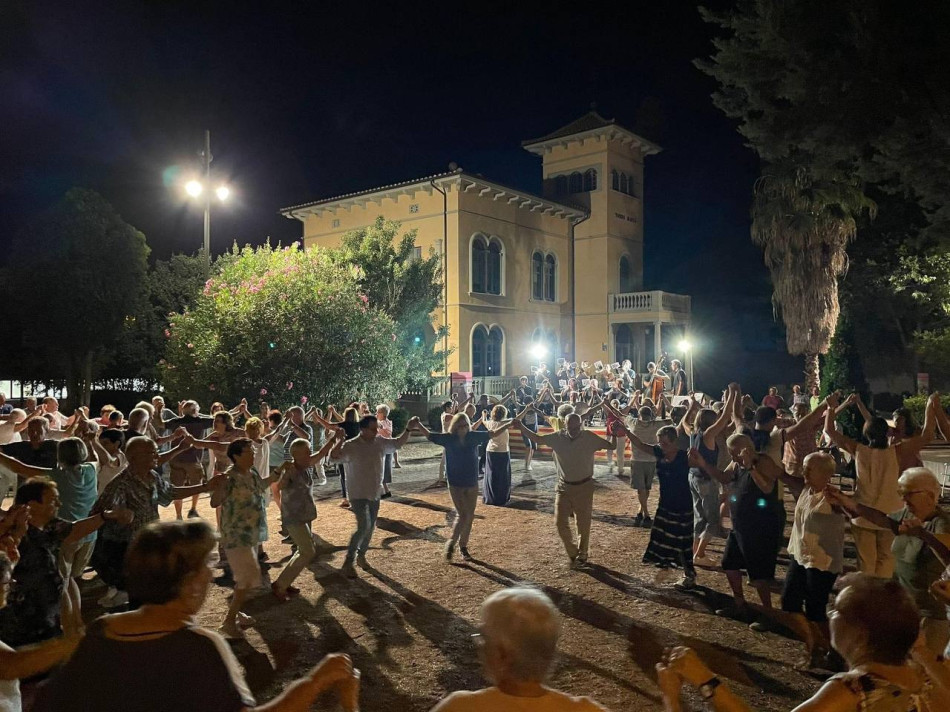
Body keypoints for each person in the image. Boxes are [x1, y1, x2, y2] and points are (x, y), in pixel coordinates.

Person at [33, 520, 361, 712]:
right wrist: (315, 682)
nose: (211, 573)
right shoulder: (198, 649)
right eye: (205, 565)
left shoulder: (101, 632)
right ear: (188, 582)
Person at [656, 575, 950, 712]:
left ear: (860, 634)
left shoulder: (854, 691)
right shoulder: (932, 677)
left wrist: (704, 681)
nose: (829, 615)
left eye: (837, 610)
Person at [826, 467, 950, 655]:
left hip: (932, 618)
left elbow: (947, 553)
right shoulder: (907, 515)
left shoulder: (942, 523)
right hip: (906, 611)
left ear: (930, 495)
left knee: (926, 675)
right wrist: (847, 502)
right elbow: (882, 519)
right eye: (901, 493)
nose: (903, 499)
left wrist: (924, 535)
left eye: (908, 493)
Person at [430, 587, 609, 712]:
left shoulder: (461, 707)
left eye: (483, 638)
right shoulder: (585, 709)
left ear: (503, 655)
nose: (480, 646)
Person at [0, 478, 132, 647]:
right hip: (21, 630)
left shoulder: (48, 527)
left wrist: (105, 516)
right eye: (53, 500)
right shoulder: (12, 536)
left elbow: (75, 530)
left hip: (47, 624)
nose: (59, 504)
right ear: (33, 505)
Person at [91, 436, 216, 609]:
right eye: (151, 452)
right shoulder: (121, 485)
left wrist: (204, 487)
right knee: (138, 598)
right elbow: (97, 514)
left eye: (156, 452)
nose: (157, 456)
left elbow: (170, 493)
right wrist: (115, 515)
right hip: (126, 550)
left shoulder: (152, 476)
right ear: (134, 457)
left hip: (149, 545)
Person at [826, 391, 937, 577]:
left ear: (865, 433)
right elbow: (927, 435)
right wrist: (930, 406)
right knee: (886, 563)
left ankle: (866, 599)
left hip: (862, 515)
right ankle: (880, 600)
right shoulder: (897, 452)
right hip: (890, 516)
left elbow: (830, 430)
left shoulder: (858, 450)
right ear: (887, 432)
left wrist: (831, 407)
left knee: (866, 565)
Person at [0, 437, 100, 637]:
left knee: (60, 581)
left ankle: (70, 625)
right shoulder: (90, 470)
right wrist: (91, 442)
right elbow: (97, 459)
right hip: (87, 536)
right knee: (69, 579)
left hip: (63, 539)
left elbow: (19, 467)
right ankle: (75, 623)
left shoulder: (54, 477)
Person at [517, 409, 614, 569]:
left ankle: (582, 553)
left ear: (581, 425)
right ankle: (573, 551)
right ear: (565, 425)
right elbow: (537, 439)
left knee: (583, 523)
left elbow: (611, 445)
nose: (573, 431)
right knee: (559, 522)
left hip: (584, 485)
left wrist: (616, 433)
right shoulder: (558, 437)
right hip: (563, 486)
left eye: (576, 428)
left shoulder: (589, 437)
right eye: (570, 428)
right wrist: (521, 426)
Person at [208, 438, 285, 638]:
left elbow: (261, 486)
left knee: (245, 577)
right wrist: (218, 486)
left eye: (252, 452)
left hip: (250, 533)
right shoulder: (229, 478)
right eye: (249, 452)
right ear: (236, 456)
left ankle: (236, 614)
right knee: (247, 577)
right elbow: (214, 502)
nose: (253, 455)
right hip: (236, 535)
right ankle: (227, 623)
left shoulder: (252, 473)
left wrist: (279, 471)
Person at [781, 451, 847, 668]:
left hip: (822, 562)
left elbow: (851, 512)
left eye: (810, 468)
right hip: (800, 555)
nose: (804, 471)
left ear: (826, 474)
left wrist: (842, 503)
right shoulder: (806, 490)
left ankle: (833, 651)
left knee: (816, 610)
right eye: (805, 467)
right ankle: (814, 645)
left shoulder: (834, 498)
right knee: (789, 601)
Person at [714, 434, 785, 630]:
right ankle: (740, 605)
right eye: (731, 454)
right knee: (729, 565)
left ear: (748, 449)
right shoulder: (736, 464)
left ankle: (768, 614)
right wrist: (702, 463)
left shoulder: (762, 461)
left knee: (759, 575)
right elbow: (723, 477)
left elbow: (767, 488)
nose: (733, 458)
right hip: (740, 527)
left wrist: (751, 467)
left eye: (735, 453)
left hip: (760, 528)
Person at [330, 415, 417, 575]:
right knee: (363, 526)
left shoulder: (380, 442)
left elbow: (397, 443)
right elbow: (333, 457)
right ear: (362, 429)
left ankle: (361, 556)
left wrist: (408, 429)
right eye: (373, 428)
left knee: (370, 528)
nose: (377, 431)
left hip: (374, 493)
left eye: (377, 427)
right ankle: (349, 560)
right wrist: (340, 440)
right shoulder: (352, 445)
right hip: (357, 494)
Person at [416, 413, 505, 562]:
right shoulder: (449, 439)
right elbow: (430, 436)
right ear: (455, 427)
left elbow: (493, 433)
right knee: (462, 514)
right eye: (460, 426)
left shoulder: (473, 437)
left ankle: (463, 546)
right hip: (455, 482)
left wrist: (509, 424)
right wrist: (418, 425)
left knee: (469, 515)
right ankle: (451, 542)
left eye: (465, 425)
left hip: (471, 481)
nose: (463, 428)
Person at [626, 422, 700, 590]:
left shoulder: (684, 457)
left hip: (683, 505)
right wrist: (626, 431)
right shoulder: (659, 452)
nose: (662, 446)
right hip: (665, 504)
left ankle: (689, 574)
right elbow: (640, 445)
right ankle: (667, 563)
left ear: (674, 441)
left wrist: (698, 459)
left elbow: (702, 467)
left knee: (683, 541)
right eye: (660, 442)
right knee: (661, 537)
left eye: (665, 443)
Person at [271, 434, 341, 601]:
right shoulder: (290, 471)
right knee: (307, 551)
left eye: (309, 451)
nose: (310, 454)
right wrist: (281, 508)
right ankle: (280, 585)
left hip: (304, 515)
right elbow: (276, 488)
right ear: (296, 455)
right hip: (294, 516)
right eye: (307, 452)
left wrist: (333, 440)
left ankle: (283, 582)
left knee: (303, 550)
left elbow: (321, 453)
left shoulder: (305, 465)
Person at [684, 390, 733, 566]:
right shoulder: (708, 435)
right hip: (705, 479)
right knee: (712, 520)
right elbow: (726, 416)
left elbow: (684, 421)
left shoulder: (692, 433)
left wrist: (691, 406)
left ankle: (695, 551)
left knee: (699, 517)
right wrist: (733, 394)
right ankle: (700, 554)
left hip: (692, 478)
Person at [157, 401, 215, 520]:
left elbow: (160, 424)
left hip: (176, 459)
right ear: (195, 411)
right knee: (197, 485)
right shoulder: (201, 421)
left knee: (177, 488)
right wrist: (238, 411)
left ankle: (179, 515)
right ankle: (193, 509)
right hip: (194, 459)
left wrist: (158, 411)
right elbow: (220, 419)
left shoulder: (176, 422)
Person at [628, 404, 662, 527]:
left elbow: (621, 414)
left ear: (639, 414)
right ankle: (642, 512)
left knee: (641, 489)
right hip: (652, 460)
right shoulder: (656, 424)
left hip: (637, 460)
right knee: (646, 488)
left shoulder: (633, 423)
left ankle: (644, 513)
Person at [482, 405, 515, 506]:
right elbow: (516, 419)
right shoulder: (504, 423)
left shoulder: (490, 423)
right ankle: (501, 498)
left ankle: (490, 497)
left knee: (491, 475)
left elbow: (484, 421)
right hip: (502, 451)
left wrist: (484, 415)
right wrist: (526, 409)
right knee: (502, 476)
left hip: (490, 451)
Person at [375, 405, 395, 498]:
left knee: (382, 469)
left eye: (378, 412)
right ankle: (385, 490)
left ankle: (383, 491)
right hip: (384, 448)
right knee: (383, 469)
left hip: (383, 449)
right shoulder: (383, 422)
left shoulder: (385, 423)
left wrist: (379, 427)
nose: (376, 414)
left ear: (382, 414)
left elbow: (387, 434)